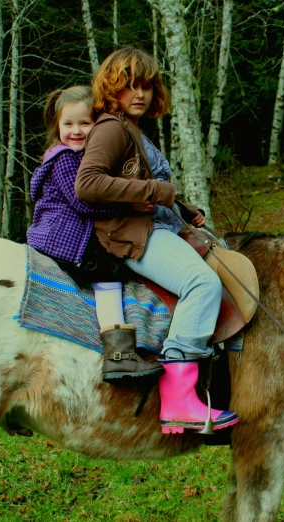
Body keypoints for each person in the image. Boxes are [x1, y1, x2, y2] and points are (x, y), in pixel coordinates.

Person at [75, 48, 238, 434]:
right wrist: (155, 189)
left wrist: (179, 204)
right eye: (129, 85)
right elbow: (88, 183)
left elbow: (134, 188)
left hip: (153, 226)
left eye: (146, 85)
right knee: (201, 283)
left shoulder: (132, 129)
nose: (140, 93)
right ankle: (179, 398)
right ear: (111, 88)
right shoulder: (112, 127)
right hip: (134, 236)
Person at [26, 86, 156, 381]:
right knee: (110, 273)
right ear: (56, 126)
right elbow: (84, 202)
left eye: (84, 123)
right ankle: (118, 356)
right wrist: (129, 207)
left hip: (54, 233)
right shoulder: (67, 160)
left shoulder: (69, 157)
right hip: (66, 238)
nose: (76, 131)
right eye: (68, 124)